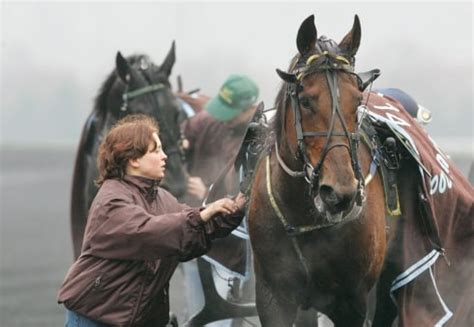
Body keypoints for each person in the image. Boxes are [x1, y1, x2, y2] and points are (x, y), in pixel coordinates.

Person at [57, 114, 246, 327]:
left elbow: (192, 233)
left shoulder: (162, 199)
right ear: (134, 158)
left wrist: (235, 209)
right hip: (95, 319)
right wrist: (200, 215)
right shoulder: (111, 199)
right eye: (156, 150)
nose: (165, 156)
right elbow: (147, 233)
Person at [182, 74, 259, 205]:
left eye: (231, 113)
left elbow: (244, 195)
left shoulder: (257, 142)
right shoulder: (209, 119)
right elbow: (185, 130)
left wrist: (206, 193)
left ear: (250, 109)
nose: (225, 118)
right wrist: (182, 141)